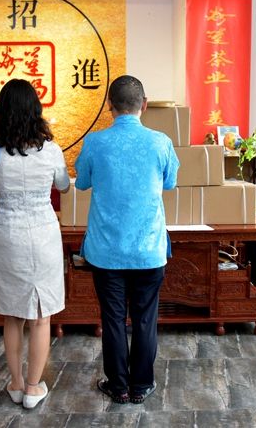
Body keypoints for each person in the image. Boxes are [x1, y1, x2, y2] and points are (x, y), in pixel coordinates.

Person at [74, 75, 179, 405]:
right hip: (149, 249)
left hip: (106, 251)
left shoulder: (95, 142)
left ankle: (118, 386)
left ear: (110, 106)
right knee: (146, 318)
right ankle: (141, 385)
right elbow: (170, 183)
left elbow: (81, 182)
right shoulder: (161, 142)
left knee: (113, 319)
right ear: (144, 105)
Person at [0, 79, 70, 410]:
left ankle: (14, 383)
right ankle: (32, 387)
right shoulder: (51, 149)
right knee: (41, 316)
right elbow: (64, 186)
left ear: (1, 111)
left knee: (12, 315)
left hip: (8, 234)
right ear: (35, 111)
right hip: (43, 233)